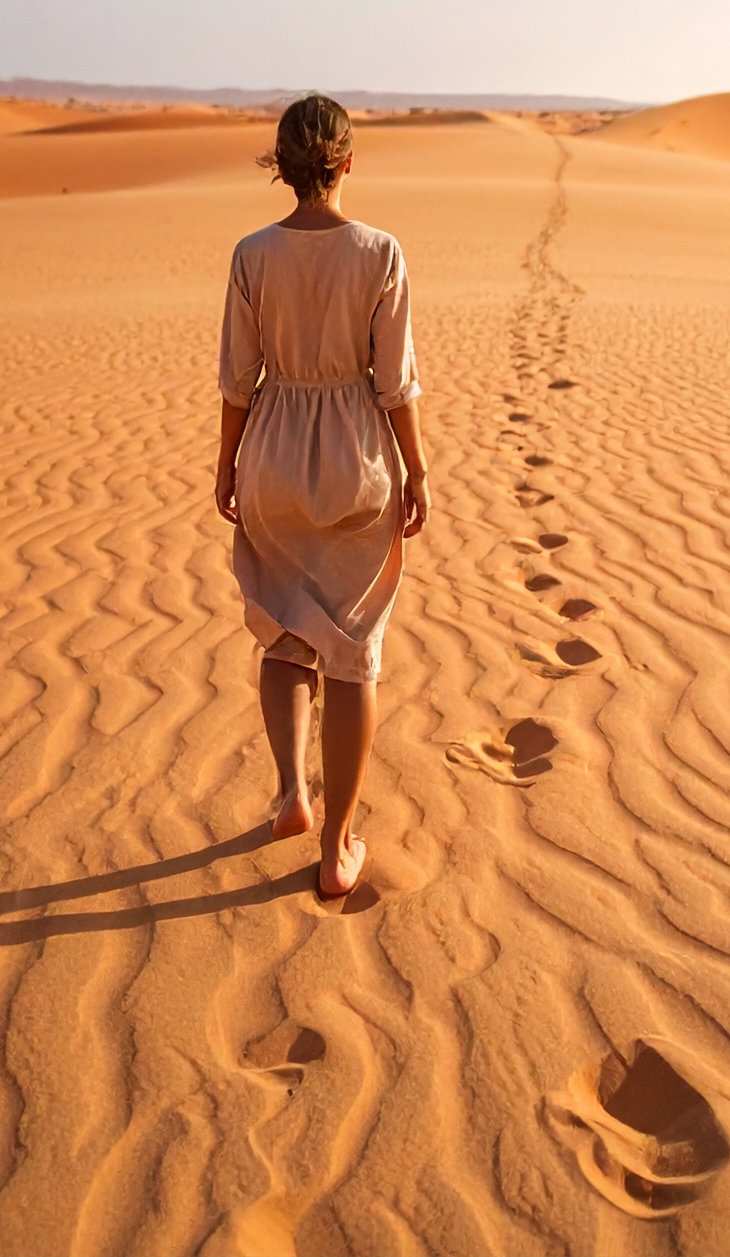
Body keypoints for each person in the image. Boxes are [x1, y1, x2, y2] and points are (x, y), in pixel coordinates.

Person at [215, 94, 431, 899]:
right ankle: (337, 846)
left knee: (282, 634)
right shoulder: (380, 253)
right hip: (354, 464)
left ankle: (291, 797)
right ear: (347, 162)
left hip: (271, 454)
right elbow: (394, 382)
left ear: (284, 163)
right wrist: (415, 469)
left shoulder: (251, 253)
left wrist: (226, 463)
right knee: (353, 650)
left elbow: (238, 377)